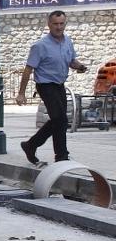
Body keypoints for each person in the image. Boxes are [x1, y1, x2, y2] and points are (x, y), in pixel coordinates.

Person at [16, 10, 88, 165]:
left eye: (62, 23)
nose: (59, 27)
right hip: (45, 85)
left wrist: (79, 66)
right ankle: (57, 155)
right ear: (49, 24)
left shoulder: (68, 41)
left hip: (59, 84)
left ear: (65, 24)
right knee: (59, 119)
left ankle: (35, 147)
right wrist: (21, 93)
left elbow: (71, 61)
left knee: (60, 121)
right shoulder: (40, 46)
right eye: (55, 24)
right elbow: (28, 69)